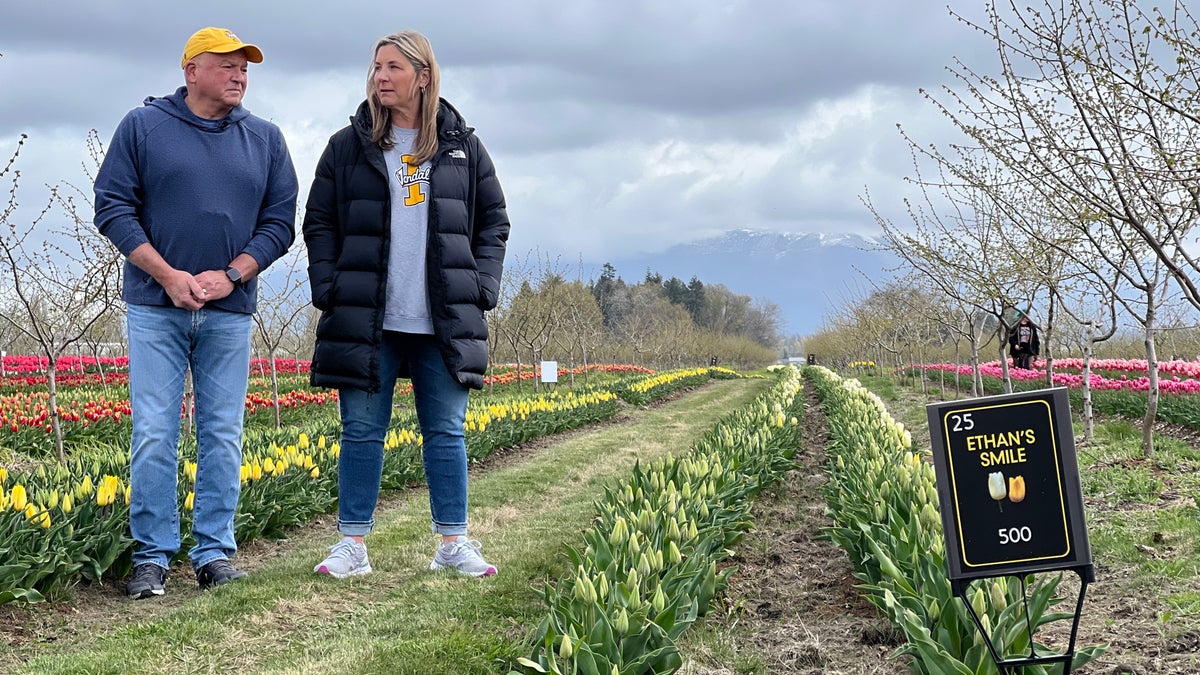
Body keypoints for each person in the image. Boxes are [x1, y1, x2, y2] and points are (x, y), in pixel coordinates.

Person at [94, 27, 298, 599]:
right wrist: (168, 275)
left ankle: (213, 553)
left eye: (245, 69)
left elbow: (280, 222)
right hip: (155, 308)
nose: (239, 76)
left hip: (230, 310)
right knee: (155, 432)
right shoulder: (143, 127)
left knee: (223, 435)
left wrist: (231, 274)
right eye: (227, 65)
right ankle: (153, 558)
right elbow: (111, 207)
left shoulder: (265, 139)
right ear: (191, 70)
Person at [303, 30, 509, 579]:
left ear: (423, 76)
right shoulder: (349, 147)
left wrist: (482, 288)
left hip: (442, 320)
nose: (380, 77)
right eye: (375, 67)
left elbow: (494, 223)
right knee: (361, 431)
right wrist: (329, 288)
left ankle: (453, 543)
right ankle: (352, 546)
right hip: (369, 318)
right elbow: (319, 221)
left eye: (393, 67)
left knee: (446, 431)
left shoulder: (461, 146)